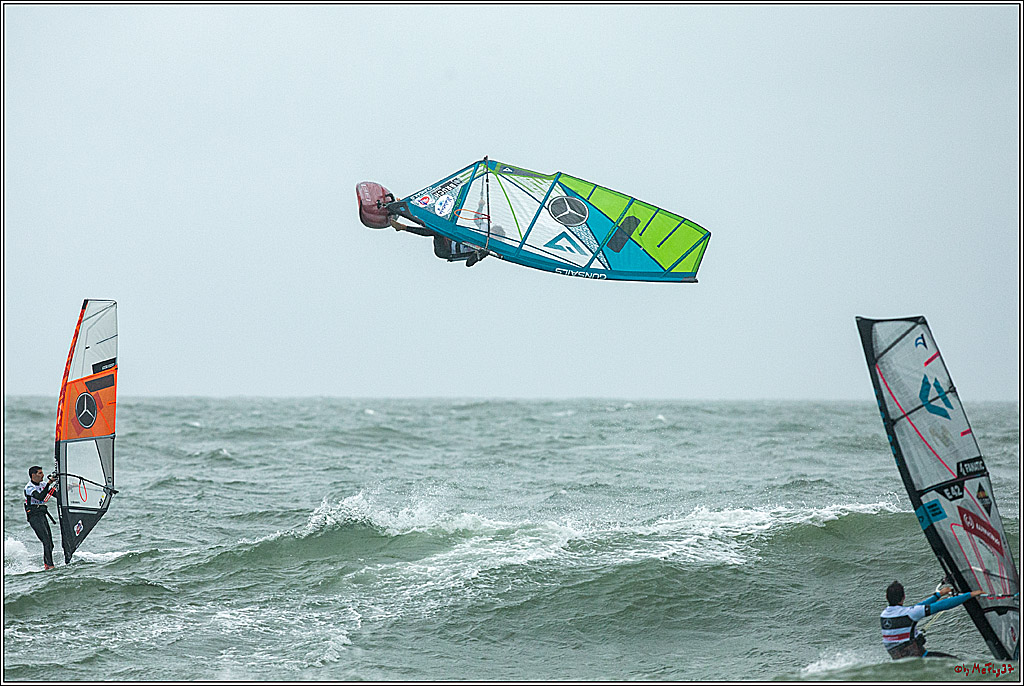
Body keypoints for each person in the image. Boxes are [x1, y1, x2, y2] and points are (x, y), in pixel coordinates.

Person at [880, 580, 983, 658]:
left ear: (886, 597)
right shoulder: (910, 613)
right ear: (904, 597)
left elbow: (916, 608)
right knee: (957, 663)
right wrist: (970, 595)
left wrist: (938, 595)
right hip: (919, 658)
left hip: (900, 660)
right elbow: (942, 605)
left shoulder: (884, 615)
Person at [390, 219, 488, 267]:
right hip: (449, 240)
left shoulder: (487, 249)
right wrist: (481, 205)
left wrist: (478, 256)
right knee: (438, 226)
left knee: (436, 232)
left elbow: (468, 264)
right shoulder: (484, 233)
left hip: (445, 252)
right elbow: (477, 217)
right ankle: (409, 215)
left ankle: (403, 227)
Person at [24, 466, 58, 569]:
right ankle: (51, 567)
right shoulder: (29, 488)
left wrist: (68, 487)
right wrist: (49, 483)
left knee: (50, 544)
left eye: (42, 473)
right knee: (46, 541)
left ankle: (46, 565)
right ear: (33, 475)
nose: (42, 475)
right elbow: (39, 497)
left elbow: (57, 495)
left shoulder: (43, 485)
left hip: (41, 515)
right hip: (34, 516)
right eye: (40, 473)